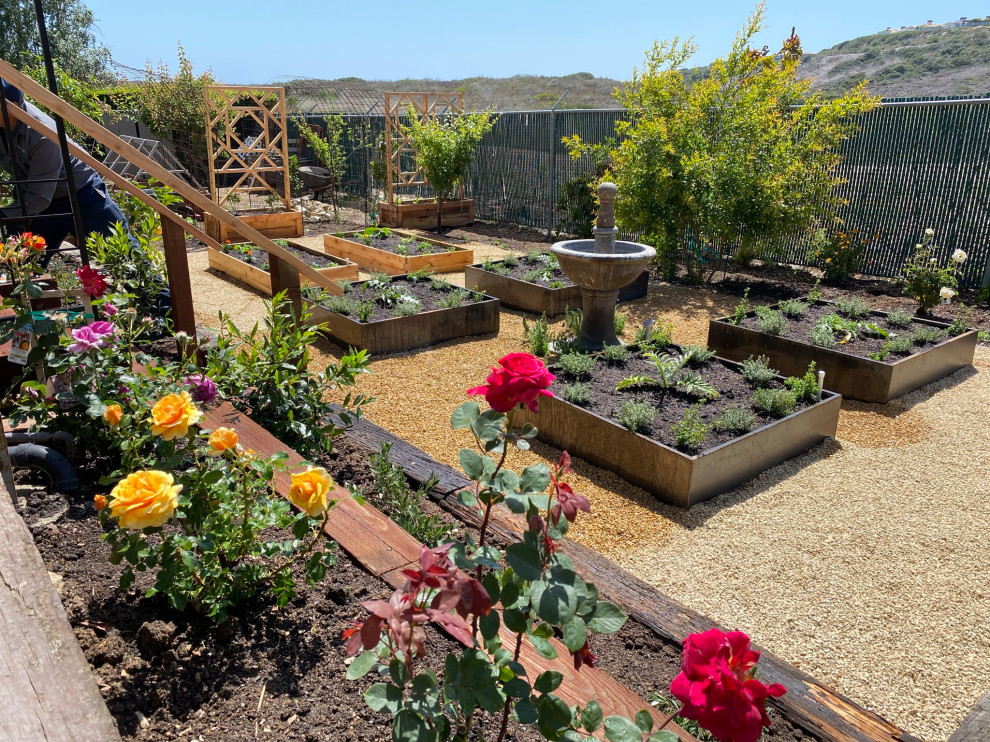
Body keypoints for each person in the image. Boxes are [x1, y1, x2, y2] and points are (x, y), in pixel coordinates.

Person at [0, 79, 140, 261]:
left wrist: (3, 215)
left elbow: (39, 197)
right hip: (40, 201)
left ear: (13, 106)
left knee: (127, 260)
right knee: (21, 264)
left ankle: (159, 290)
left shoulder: (42, 133)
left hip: (82, 195)